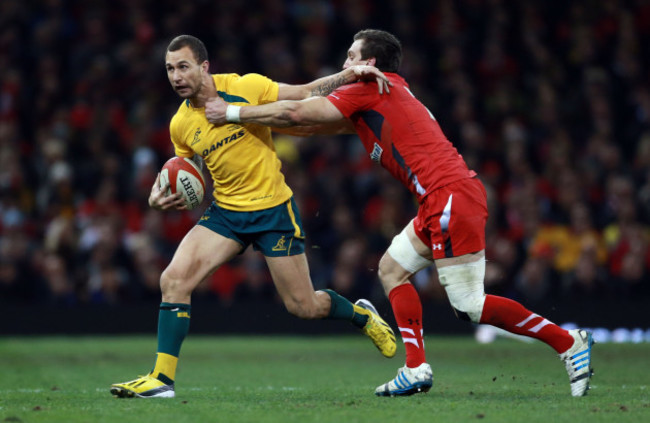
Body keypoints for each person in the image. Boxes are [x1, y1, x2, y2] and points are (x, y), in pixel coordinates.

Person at [204, 29, 595, 398]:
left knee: (469, 304)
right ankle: (416, 368)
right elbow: (312, 123)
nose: (346, 61)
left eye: (352, 55)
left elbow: (295, 114)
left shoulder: (368, 88)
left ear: (370, 62)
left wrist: (236, 114)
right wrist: (262, 126)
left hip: (449, 196)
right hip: (440, 198)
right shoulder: (388, 92)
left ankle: (568, 342)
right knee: (392, 269)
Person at [110, 34, 397, 399]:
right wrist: (161, 194)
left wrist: (350, 74)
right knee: (174, 280)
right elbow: (190, 169)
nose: (176, 76)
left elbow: (306, 92)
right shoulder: (179, 125)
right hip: (226, 214)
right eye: (170, 69)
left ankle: (361, 315)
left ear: (204, 66)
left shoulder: (245, 86)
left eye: (183, 66)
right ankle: (162, 380)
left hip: (272, 210)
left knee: (303, 307)